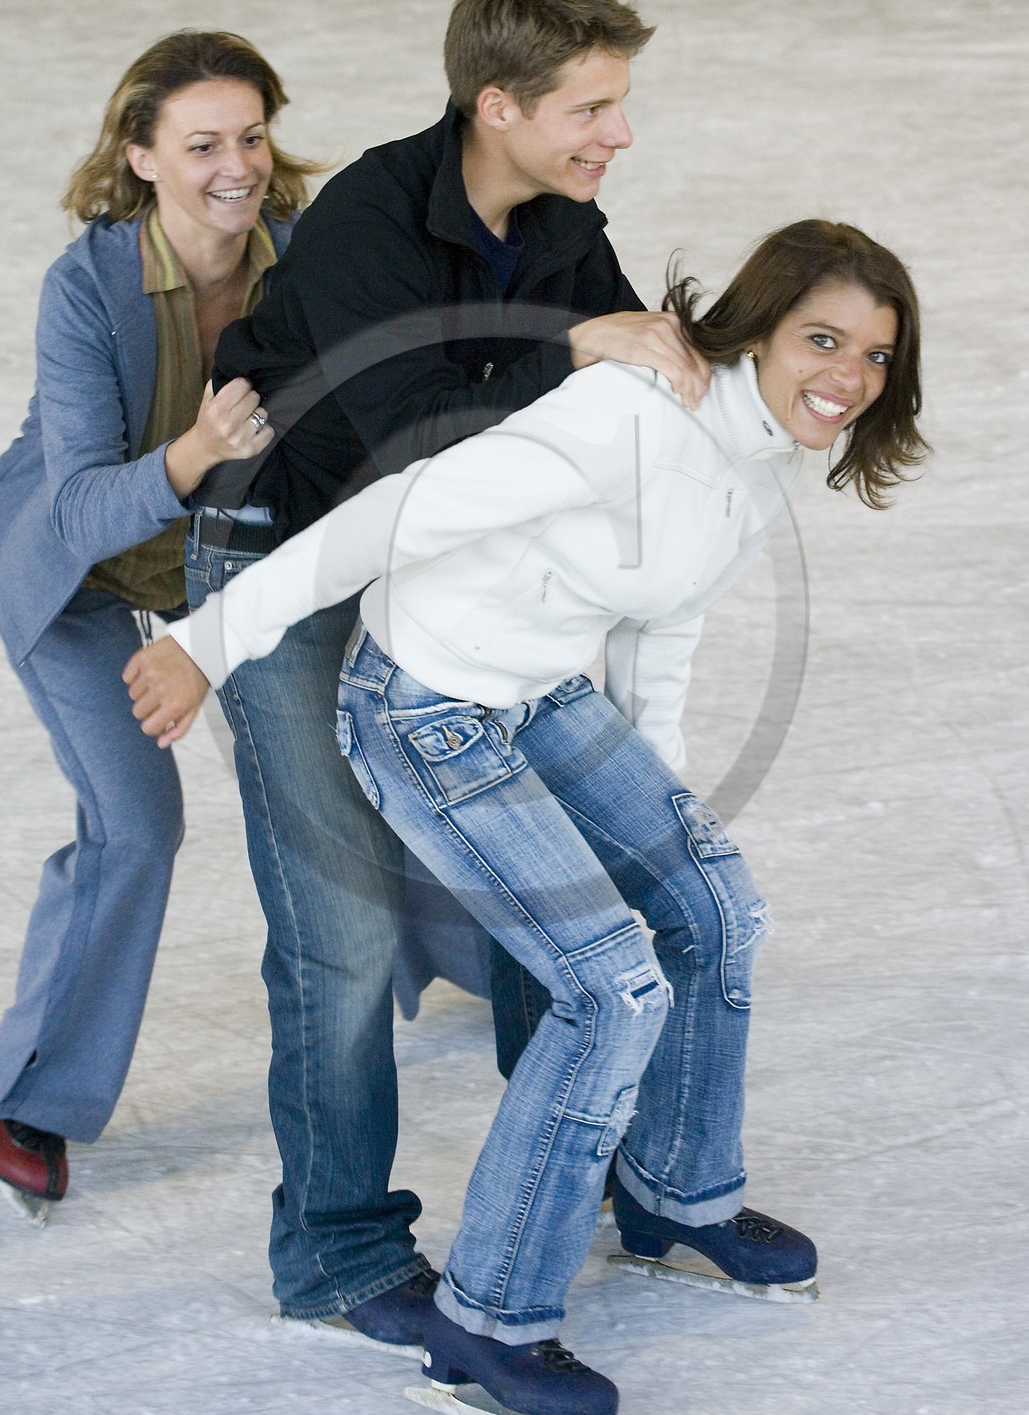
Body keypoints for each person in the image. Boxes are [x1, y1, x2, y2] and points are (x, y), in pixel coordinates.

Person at [126, 219, 928, 1415]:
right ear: (755, 327)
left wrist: (658, 820)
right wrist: (205, 640)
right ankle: (487, 1321)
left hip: (539, 690)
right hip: (426, 703)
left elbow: (664, 624)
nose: (846, 377)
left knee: (714, 901)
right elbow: (390, 514)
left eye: (872, 355)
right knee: (610, 985)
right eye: (822, 339)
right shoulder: (629, 418)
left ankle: (673, 1192)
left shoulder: (758, 462)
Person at [168, 0, 708, 1346]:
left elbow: (583, 417)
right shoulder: (363, 224)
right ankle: (337, 1255)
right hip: (285, 554)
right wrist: (580, 349)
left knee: (554, 884)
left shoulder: (563, 215)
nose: (616, 135)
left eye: (617, 105)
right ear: (496, 104)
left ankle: (566, 1171)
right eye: (590, 107)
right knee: (339, 929)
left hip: (449, 561)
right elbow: (411, 434)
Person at [0, 30, 321, 1220]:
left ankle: (467, 958)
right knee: (134, 823)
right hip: (71, 571)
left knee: (356, 748)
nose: (238, 166)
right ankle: (31, 1096)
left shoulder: (303, 259)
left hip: (225, 562)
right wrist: (197, 450)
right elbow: (73, 500)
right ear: (141, 159)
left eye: (252, 136)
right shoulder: (86, 287)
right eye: (203, 143)